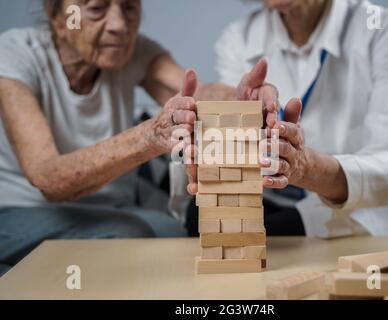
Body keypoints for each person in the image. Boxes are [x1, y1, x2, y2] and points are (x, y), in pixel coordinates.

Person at [0, 0, 280, 276]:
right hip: (21, 210)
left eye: (130, 8)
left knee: (172, 231)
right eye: (97, 9)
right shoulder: (15, 54)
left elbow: (198, 93)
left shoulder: (131, 52)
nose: (119, 25)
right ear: (57, 17)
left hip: (110, 210)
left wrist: (242, 99)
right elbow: (49, 179)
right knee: (128, 233)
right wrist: (152, 135)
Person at [187, 0, 388, 251]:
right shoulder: (238, 37)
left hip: (370, 205)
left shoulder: (382, 25)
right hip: (277, 196)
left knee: (280, 232)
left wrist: (307, 168)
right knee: (203, 218)